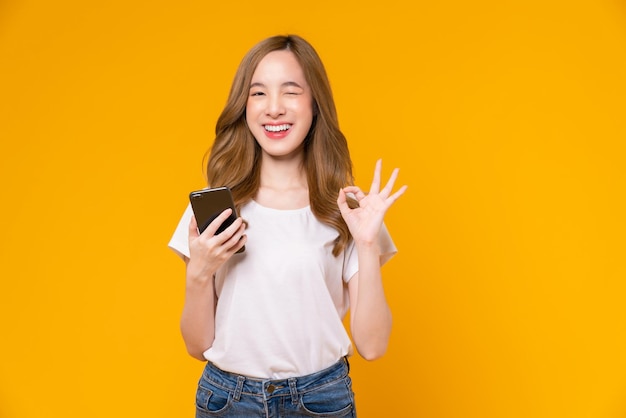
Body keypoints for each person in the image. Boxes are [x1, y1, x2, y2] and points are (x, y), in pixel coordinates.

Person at [168, 34, 407, 418]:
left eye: (291, 91)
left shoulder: (347, 210)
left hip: (320, 399)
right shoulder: (215, 208)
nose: (274, 108)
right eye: (258, 93)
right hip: (228, 400)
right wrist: (198, 273)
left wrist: (366, 242)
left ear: (315, 104)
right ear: (244, 107)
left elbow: (373, 346)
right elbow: (198, 346)